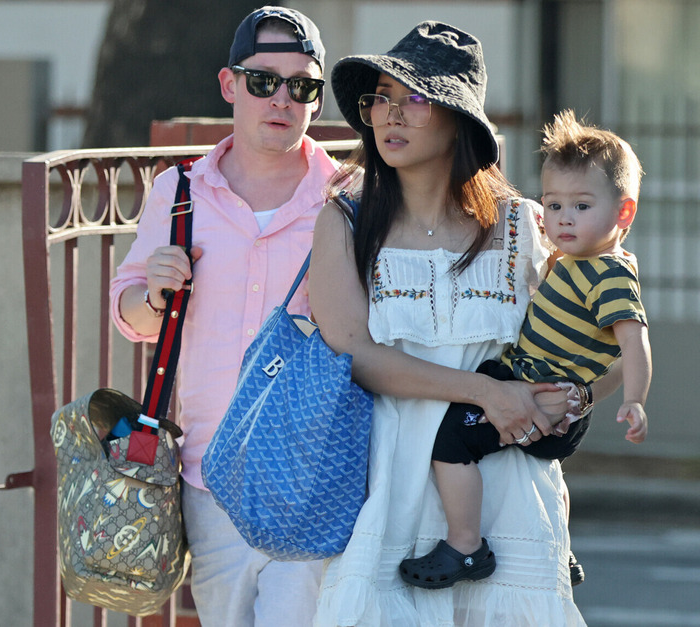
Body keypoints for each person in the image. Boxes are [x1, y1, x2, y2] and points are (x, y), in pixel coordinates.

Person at [309, 21, 607, 627]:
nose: (390, 115)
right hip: (389, 481)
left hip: (508, 485)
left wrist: (574, 398)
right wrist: (485, 392)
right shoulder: (343, 219)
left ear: (458, 119)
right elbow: (354, 353)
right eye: (380, 99)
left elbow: (599, 329)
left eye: (414, 99)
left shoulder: (527, 224)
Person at [109, 7, 339, 626]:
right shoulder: (178, 191)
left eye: (303, 86)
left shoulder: (346, 197)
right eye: (264, 80)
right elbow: (128, 311)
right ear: (228, 85)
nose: (283, 99)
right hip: (209, 478)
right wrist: (153, 291)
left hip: (309, 474)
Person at [400, 109, 651, 592]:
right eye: (554, 204)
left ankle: (466, 547)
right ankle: (562, 546)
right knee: (540, 464)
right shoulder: (573, 259)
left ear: (623, 213)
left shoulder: (611, 274)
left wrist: (634, 399)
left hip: (546, 396)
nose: (563, 218)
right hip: (526, 378)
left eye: (581, 205)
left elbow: (634, 343)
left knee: (450, 443)